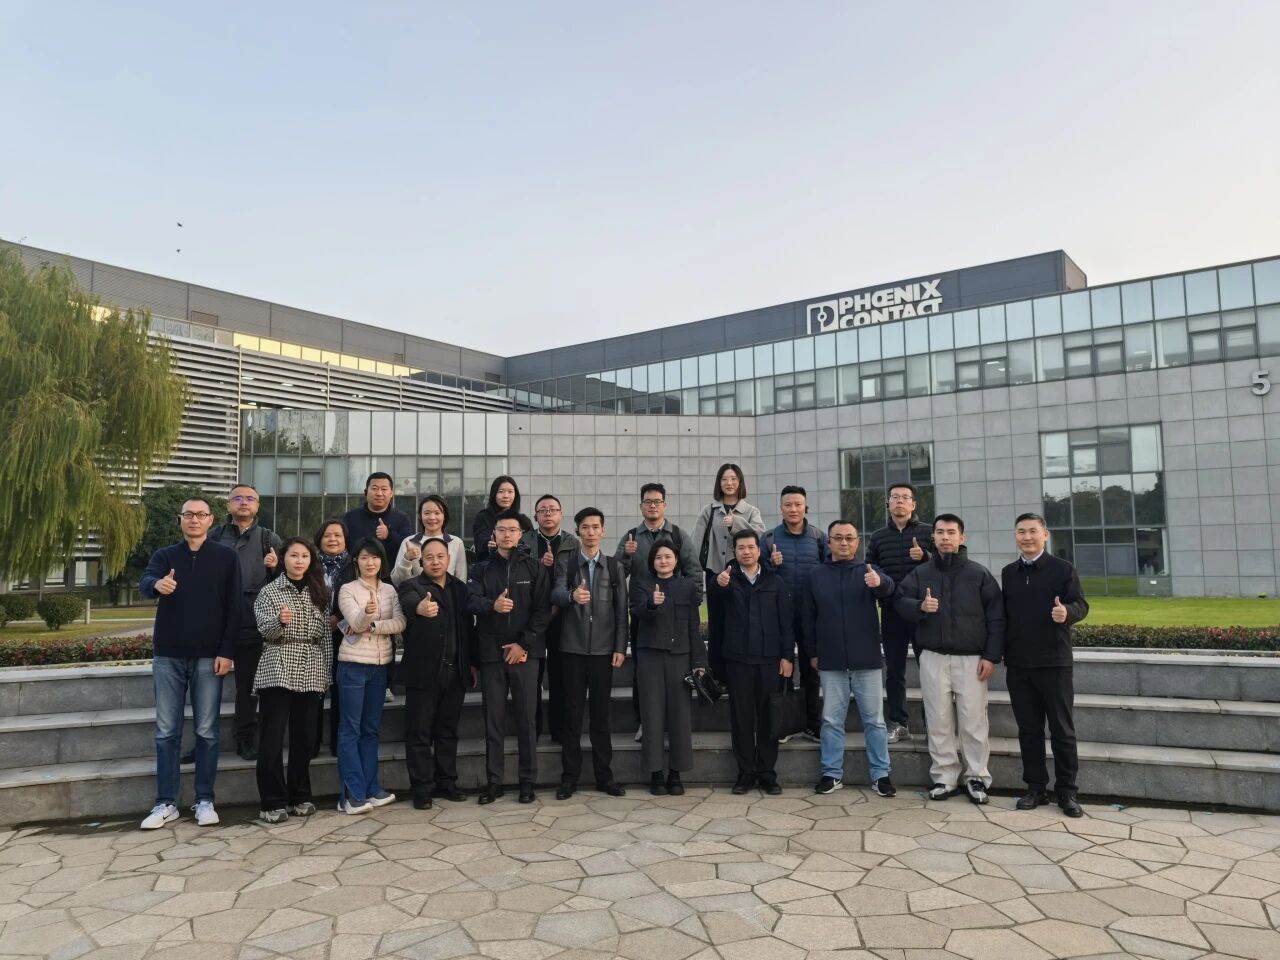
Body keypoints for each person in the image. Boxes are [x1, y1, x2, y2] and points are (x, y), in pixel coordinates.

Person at [137, 498, 239, 829]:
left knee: (207, 731)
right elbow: (145, 583)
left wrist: (227, 651)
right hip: (169, 654)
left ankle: (204, 799)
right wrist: (157, 584)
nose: (194, 519)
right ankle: (165, 802)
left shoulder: (226, 557)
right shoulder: (165, 556)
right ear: (180, 519)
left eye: (201, 515)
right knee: (166, 731)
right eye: (188, 515)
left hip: (210, 656)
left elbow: (234, 607)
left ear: (211, 520)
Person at [894, 514, 1005, 805]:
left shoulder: (979, 574)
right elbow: (899, 602)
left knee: (973, 721)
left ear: (961, 537)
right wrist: (920, 606)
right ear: (934, 537)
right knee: (938, 720)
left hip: (972, 660)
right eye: (940, 532)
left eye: (951, 532)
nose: (945, 537)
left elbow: (997, 618)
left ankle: (976, 776)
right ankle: (944, 777)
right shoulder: (921, 573)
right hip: (933, 657)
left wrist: (991, 656)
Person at [1001, 513, 1089, 818]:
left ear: (1045, 535)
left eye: (1032, 531)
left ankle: (1067, 792)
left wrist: (1067, 613)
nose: (1027, 537)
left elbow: (1081, 604)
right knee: (1029, 730)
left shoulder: (1063, 569)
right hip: (1019, 665)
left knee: (1062, 730)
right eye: (1021, 532)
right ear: (1016, 536)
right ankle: (1035, 788)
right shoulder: (1009, 573)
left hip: (1054, 663)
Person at [801, 521, 896, 797]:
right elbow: (807, 618)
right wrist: (813, 652)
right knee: (831, 720)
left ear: (857, 542)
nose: (844, 543)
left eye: (849, 538)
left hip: (866, 660)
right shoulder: (816, 575)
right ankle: (831, 773)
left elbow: (889, 590)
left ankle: (881, 774)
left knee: (875, 721)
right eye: (838, 538)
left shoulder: (869, 571)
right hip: (830, 660)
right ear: (829, 542)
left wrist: (880, 583)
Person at [467, 509, 552, 804]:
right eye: (501, 530)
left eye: (512, 530)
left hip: (525, 654)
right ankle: (494, 782)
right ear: (494, 534)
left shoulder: (534, 568)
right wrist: (492, 605)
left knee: (527, 720)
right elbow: (471, 601)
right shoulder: (480, 568)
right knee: (493, 721)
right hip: (492, 655)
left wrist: (522, 644)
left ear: (520, 534)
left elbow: (543, 612)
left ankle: (527, 782)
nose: (507, 535)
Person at [707, 529, 794, 795]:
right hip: (738, 660)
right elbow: (714, 605)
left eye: (751, 547)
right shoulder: (727, 579)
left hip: (769, 660)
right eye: (741, 548)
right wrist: (718, 584)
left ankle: (767, 773)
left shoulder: (775, 581)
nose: (746, 552)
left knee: (769, 718)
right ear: (734, 552)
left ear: (759, 550)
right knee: (741, 718)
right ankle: (745, 773)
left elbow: (786, 622)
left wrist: (787, 656)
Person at [614, 482, 703, 742]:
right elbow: (617, 574)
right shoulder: (631, 536)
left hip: (675, 616)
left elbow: (693, 570)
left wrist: (691, 601)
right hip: (644, 613)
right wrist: (626, 556)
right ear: (641, 506)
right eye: (648, 502)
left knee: (676, 675)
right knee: (641, 672)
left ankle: (674, 724)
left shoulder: (678, 535)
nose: (652, 506)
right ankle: (644, 721)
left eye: (657, 501)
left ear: (665, 505)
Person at [252, 537, 331, 824]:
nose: (299, 561)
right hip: (278, 664)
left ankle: (300, 795)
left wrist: (327, 672)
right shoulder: (270, 591)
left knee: (305, 737)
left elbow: (325, 636)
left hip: (312, 666)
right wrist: (279, 621)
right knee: (272, 738)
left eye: (305, 556)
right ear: (283, 558)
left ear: (311, 560)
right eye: (294, 555)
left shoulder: (319, 591)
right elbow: (264, 630)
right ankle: (272, 801)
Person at [551, 507, 628, 799]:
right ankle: (569, 778)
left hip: (603, 652)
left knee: (600, 717)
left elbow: (621, 612)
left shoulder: (614, 566)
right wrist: (572, 596)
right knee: (571, 716)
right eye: (585, 527)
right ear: (578, 531)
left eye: (596, 527)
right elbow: (555, 594)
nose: (591, 532)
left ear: (603, 531)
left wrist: (620, 647)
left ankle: (604, 777)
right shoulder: (567, 565)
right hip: (571, 649)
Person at [397, 537, 478, 809]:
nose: (435, 562)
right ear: (422, 560)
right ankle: (422, 788)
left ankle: (447, 782)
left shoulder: (460, 588)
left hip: (455, 672)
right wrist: (419, 608)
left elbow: (469, 628)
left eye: (440, 556)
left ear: (449, 559)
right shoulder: (411, 586)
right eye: (429, 557)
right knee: (419, 732)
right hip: (424, 674)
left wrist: (472, 663)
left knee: (447, 731)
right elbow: (408, 605)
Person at [207, 483, 282, 762]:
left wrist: (276, 567)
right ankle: (204, 740)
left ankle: (245, 738)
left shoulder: (268, 538)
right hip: (215, 622)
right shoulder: (214, 537)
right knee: (206, 687)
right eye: (237, 498)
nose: (243, 502)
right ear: (228, 505)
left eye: (250, 498)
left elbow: (284, 582)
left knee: (248, 688)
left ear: (257, 506)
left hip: (252, 622)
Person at [630, 538, 707, 796]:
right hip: (650, 657)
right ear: (652, 561)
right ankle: (655, 774)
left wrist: (699, 661)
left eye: (668, 557)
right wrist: (652, 603)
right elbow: (637, 613)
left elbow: (693, 626)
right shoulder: (641, 584)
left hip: (680, 656)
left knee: (680, 717)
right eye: (658, 557)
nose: (663, 561)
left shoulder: (687, 587)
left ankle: (676, 773)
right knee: (652, 715)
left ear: (676, 560)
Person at [335, 539, 405, 813]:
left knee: (371, 729)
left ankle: (371, 788)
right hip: (353, 666)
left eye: (374, 557)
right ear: (356, 561)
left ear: (381, 561)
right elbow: (354, 622)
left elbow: (400, 623)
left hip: (380, 666)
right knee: (350, 729)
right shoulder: (347, 589)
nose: (370, 562)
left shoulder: (390, 590)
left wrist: (373, 625)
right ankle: (351, 795)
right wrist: (366, 614)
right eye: (364, 557)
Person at [865, 482, 934, 744]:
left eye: (905, 497)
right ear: (888, 504)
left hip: (923, 612)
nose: (900, 501)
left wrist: (925, 556)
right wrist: (884, 587)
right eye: (895, 497)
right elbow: (870, 566)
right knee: (894, 670)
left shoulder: (928, 532)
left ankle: (933, 725)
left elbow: (944, 564)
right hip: (892, 610)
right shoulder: (879, 536)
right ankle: (899, 722)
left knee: (929, 670)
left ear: (914, 504)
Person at [763, 485, 828, 743]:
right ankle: (785, 724)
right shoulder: (768, 539)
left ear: (805, 507)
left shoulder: (818, 537)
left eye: (798, 504)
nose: (793, 509)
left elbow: (829, 569)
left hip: (811, 614)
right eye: (788, 505)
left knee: (812, 671)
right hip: (780, 615)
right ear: (781, 508)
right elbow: (758, 573)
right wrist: (771, 565)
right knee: (783, 669)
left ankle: (812, 723)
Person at [692, 464, 766, 676]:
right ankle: (716, 674)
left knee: (740, 621)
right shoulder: (709, 510)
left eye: (734, 479)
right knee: (717, 623)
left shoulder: (751, 511)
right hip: (714, 572)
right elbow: (696, 542)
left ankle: (738, 672)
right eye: (724, 479)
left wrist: (737, 522)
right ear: (719, 483)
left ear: (740, 482)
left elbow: (759, 536)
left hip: (743, 575)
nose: (729, 483)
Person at [521, 494, 580, 743]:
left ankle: (559, 729)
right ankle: (532, 730)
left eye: (552, 509)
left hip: (561, 615)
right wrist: (539, 563)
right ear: (535, 516)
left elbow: (575, 577)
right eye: (542, 510)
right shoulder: (525, 540)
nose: (548, 513)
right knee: (532, 677)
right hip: (531, 615)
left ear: (561, 514)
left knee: (559, 674)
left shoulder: (572, 542)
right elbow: (519, 570)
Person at [314, 519, 351, 758]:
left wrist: (338, 617)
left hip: (343, 635)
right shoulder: (310, 564)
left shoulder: (353, 564)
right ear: (319, 539)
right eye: (327, 535)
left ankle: (337, 743)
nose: (333, 539)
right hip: (313, 635)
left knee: (340, 691)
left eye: (338, 535)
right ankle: (311, 743)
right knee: (313, 691)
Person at [342, 472, 414, 579]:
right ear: (366, 492)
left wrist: (389, 536)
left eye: (384, 489)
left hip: (391, 581)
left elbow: (407, 548)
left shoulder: (401, 518)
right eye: (374, 488)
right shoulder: (350, 517)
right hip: (356, 579)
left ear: (391, 493)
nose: (379, 493)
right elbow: (343, 548)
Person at [392, 494, 468, 586]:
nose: (432, 517)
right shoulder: (408, 542)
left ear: (444, 516)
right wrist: (407, 559)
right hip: (416, 594)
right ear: (420, 516)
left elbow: (461, 579)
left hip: (448, 594)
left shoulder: (456, 543)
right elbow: (397, 581)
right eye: (427, 513)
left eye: (437, 513)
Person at [471, 476, 532, 564]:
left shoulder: (524, 520)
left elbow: (531, 546)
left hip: (520, 567)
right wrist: (489, 544)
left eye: (510, 492)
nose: (506, 496)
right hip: (490, 567)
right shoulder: (483, 517)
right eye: (501, 491)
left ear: (515, 495)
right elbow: (480, 541)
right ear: (494, 494)